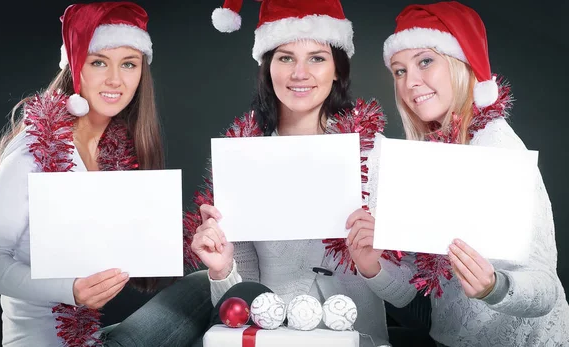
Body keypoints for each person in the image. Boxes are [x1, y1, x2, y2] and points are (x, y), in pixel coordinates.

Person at [0, 2, 212, 346]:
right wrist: (70, 289)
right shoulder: (35, 148)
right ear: (75, 66)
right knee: (205, 290)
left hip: (92, 338)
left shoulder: (113, 152)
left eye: (129, 64)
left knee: (210, 283)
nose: (115, 79)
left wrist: (193, 241)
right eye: (99, 62)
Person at [359, 2, 569, 346]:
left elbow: (545, 287)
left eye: (425, 61)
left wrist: (495, 287)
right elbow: (411, 295)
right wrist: (373, 266)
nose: (410, 82)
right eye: (399, 71)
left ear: (459, 64)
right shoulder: (425, 159)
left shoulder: (497, 147)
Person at [187, 1, 393, 346]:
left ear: (337, 69)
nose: (300, 73)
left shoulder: (374, 152)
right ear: (268, 68)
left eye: (317, 57)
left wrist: (373, 266)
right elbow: (238, 298)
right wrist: (221, 270)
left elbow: (404, 295)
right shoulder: (243, 158)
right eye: (285, 58)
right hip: (272, 336)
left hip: (360, 337)